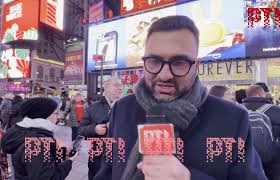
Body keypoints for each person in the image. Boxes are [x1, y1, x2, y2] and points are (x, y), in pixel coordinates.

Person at [94, 15, 267, 180]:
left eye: (179, 62)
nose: (165, 75)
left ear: (196, 66)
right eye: (154, 61)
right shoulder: (122, 110)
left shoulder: (232, 119)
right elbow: (107, 172)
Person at [1, 97, 74, 180]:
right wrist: (69, 162)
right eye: (56, 113)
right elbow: (48, 177)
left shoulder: (29, 132)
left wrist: (64, 153)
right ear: (43, 115)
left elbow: (44, 159)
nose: (58, 117)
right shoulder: (36, 143)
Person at [243, 85, 280, 180]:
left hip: (245, 159)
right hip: (273, 161)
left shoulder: (237, 109)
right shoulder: (279, 111)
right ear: (260, 93)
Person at [79, 77, 123, 180]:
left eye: (121, 85)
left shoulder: (127, 107)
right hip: (98, 159)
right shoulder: (93, 108)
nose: (120, 88)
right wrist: (94, 129)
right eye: (116, 85)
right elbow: (80, 130)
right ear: (106, 87)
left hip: (120, 157)